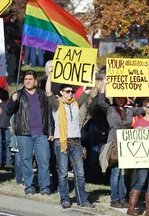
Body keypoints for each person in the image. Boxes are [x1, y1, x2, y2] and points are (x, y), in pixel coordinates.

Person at [45, 74, 94, 209]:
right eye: (67, 91)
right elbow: (48, 92)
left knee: (80, 173)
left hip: (76, 143)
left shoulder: (76, 103)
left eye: (72, 91)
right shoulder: (57, 104)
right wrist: (49, 76)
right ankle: (65, 199)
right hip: (61, 142)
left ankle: (82, 200)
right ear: (61, 93)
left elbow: (88, 90)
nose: (70, 93)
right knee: (63, 173)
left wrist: (92, 74)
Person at [98, 78, 144, 209]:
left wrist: (147, 91)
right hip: (113, 144)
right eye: (117, 96)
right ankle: (114, 198)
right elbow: (100, 101)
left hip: (126, 144)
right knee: (115, 172)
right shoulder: (110, 109)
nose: (119, 98)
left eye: (122, 96)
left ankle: (123, 198)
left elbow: (143, 108)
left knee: (124, 173)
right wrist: (103, 86)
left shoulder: (129, 110)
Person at [7, 70, 54, 195]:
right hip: (24, 133)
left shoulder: (42, 94)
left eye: (30, 79)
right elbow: (9, 111)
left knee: (44, 160)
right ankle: (29, 186)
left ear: (35, 81)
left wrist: (50, 131)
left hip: (41, 133)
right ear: (23, 81)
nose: (28, 81)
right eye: (26, 79)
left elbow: (49, 114)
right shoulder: (18, 94)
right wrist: (13, 101)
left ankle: (45, 187)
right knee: (26, 160)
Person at [4, 13, 21, 85]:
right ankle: (11, 79)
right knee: (12, 63)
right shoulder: (8, 25)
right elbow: (8, 36)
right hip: (11, 47)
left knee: (18, 63)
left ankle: (17, 78)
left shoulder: (17, 24)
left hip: (18, 46)